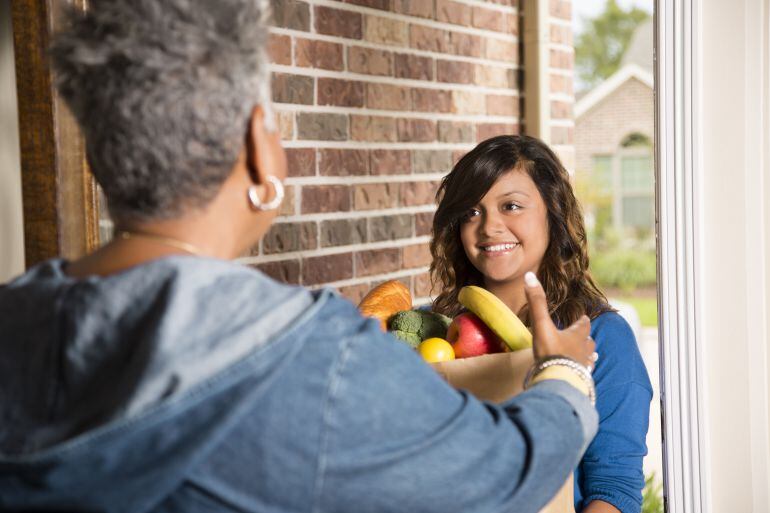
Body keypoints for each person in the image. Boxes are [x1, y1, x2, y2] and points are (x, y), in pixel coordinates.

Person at [0, 2, 598, 511]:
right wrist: (565, 373)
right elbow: (500, 474)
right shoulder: (314, 357)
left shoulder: (16, 323)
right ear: (261, 148)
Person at [430, 135, 653, 513]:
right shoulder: (438, 331)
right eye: (471, 212)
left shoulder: (600, 337)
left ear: (552, 212)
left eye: (511, 206)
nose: (488, 227)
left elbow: (613, 492)